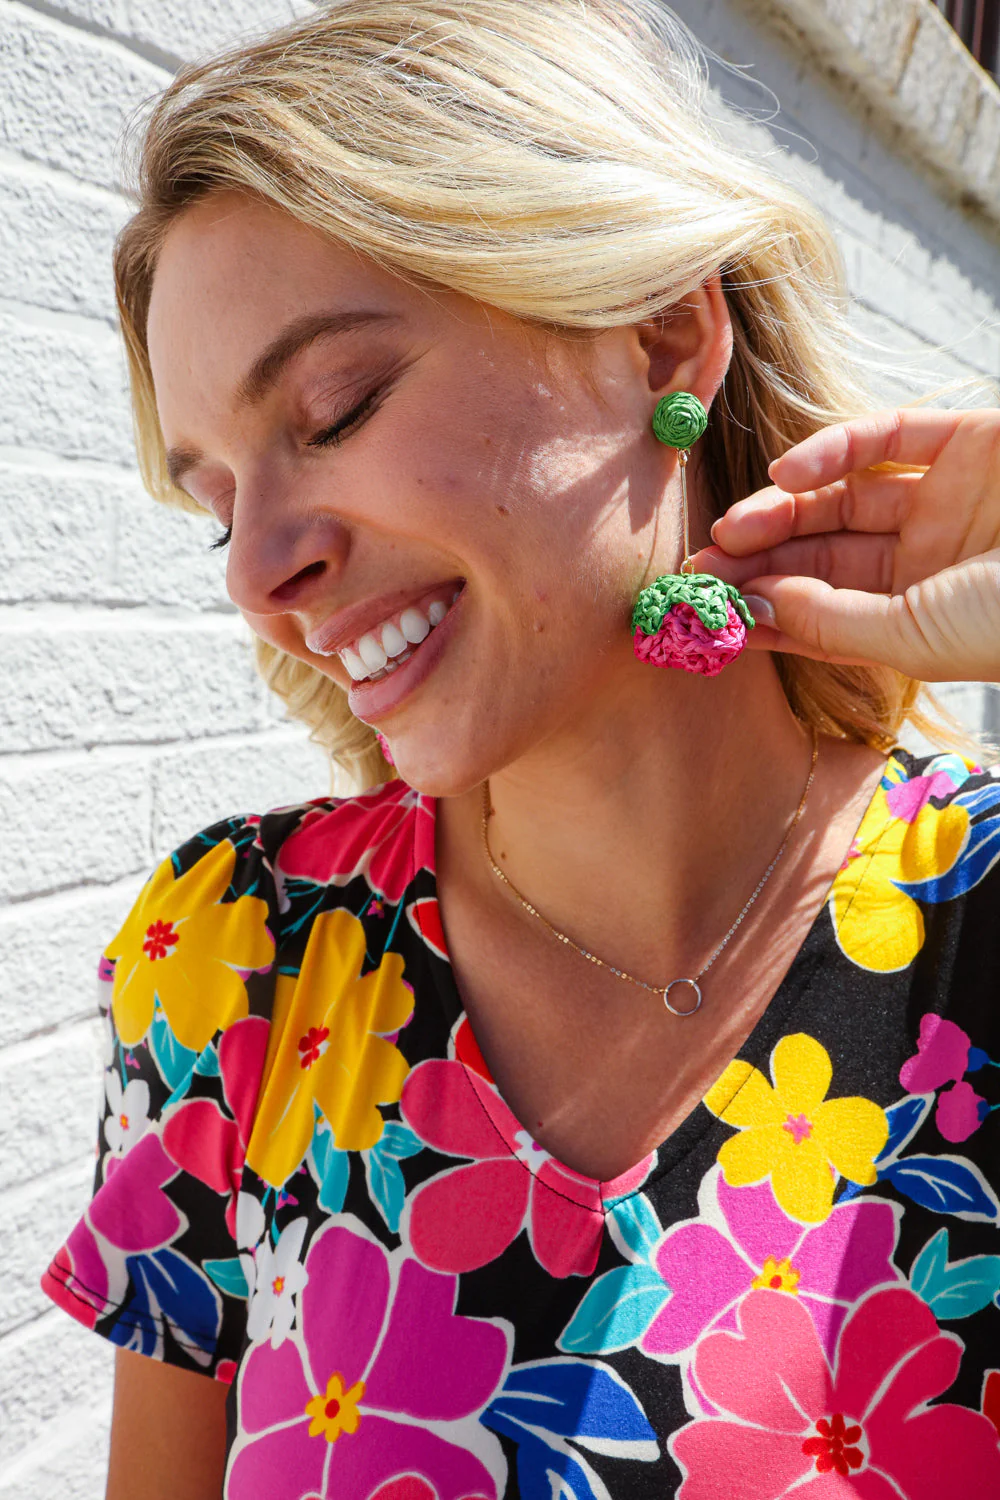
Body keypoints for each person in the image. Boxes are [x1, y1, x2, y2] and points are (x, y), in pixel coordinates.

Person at [41, 2, 1000, 1496]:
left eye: (336, 409)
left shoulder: (980, 923)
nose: (257, 569)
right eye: (219, 502)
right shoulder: (233, 961)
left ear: (663, 336)